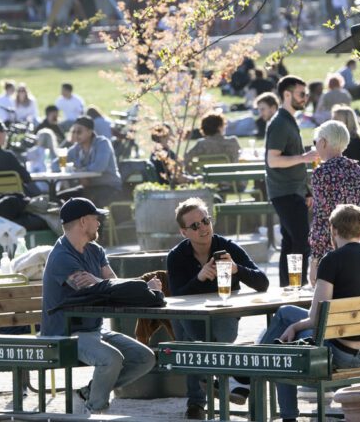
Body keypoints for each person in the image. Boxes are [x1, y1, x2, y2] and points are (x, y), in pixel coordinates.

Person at [259, 204, 360, 422]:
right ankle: (258, 361)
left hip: (337, 353)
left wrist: (294, 326)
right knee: (286, 314)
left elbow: (316, 317)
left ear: (334, 231)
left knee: (282, 343)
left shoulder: (331, 260)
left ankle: (257, 370)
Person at [41, 198, 158, 415]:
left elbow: (113, 284)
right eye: (97, 219)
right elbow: (88, 288)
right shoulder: (61, 256)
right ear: (84, 221)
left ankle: (88, 393)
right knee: (111, 359)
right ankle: (94, 410)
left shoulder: (95, 250)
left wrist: (141, 286)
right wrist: (102, 284)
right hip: (64, 333)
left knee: (146, 358)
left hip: (94, 329)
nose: (100, 223)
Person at [166, 198, 270, 419]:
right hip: (191, 318)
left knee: (199, 343)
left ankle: (205, 386)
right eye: (195, 225)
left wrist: (236, 269)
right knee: (186, 329)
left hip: (224, 314)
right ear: (184, 232)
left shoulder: (227, 247)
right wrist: (199, 277)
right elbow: (176, 297)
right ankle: (224, 381)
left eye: (205, 221)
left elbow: (263, 282)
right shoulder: (176, 256)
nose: (203, 227)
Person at [265, 75, 318, 287]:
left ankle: (288, 288)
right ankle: (297, 287)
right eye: (301, 94)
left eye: (305, 94)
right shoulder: (279, 122)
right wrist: (304, 158)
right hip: (283, 191)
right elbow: (273, 160)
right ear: (287, 94)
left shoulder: (289, 119)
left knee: (290, 242)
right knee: (301, 241)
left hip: (293, 191)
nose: (305, 98)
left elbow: (291, 159)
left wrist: (306, 191)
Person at [307, 120, 360, 283]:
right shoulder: (358, 170)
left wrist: (315, 259)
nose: (315, 146)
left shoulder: (322, 173)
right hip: (358, 245)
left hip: (332, 250)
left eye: (316, 142)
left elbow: (321, 219)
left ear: (324, 142)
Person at [63, 116, 122, 207]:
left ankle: (99, 221)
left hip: (110, 187)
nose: (75, 135)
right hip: (89, 188)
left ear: (90, 132)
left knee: (88, 203)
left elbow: (99, 167)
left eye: (79, 131)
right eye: (73, 132)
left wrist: (80, 171)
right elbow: (56, 164)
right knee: (60, 197)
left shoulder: (102, 143)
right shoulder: (76, 148)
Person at [0, 120, 38, 196]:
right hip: (12, 200)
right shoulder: (8, 156)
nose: (6, 135)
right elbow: (26, 178)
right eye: (5, 131)